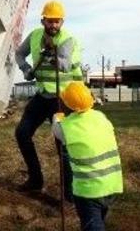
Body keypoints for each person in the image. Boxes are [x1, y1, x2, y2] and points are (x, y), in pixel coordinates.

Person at [14, 0, 83, 194]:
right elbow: (19, 53)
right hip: (42, 94)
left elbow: (66, 64)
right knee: (22, 133)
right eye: (50, 21)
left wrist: (53, 54)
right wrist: (26, 68)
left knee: (62, 146)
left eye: (57, 21)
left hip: (62, 99)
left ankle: (69, 194)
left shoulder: (68, 39)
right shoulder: (35, 36)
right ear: (43, 20)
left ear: (62, 22)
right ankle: (36, 180)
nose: (53, 25)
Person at [52, 82, 123, 231]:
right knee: (98, 219)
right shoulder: (101, 117)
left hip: (88, 190)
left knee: (93, 225)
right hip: (111, 185)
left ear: (67, 105)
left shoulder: (66, 127)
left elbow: (56, 131)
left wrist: (57, 118)